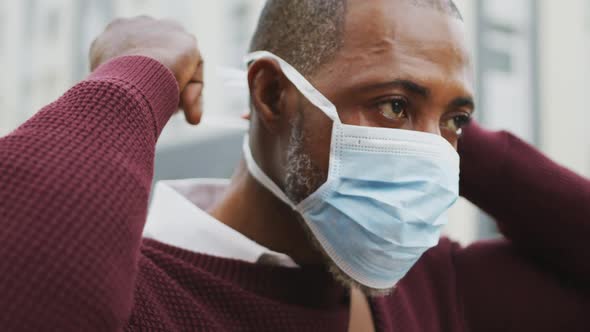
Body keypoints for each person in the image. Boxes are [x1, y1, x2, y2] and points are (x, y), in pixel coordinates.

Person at [0, 0, 588, 331]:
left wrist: (440, 123)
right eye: (394, 105)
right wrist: (139, 73)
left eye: (454, 121)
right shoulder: (140, 294)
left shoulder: (435, 288)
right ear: (274, 96)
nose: (435, 153)